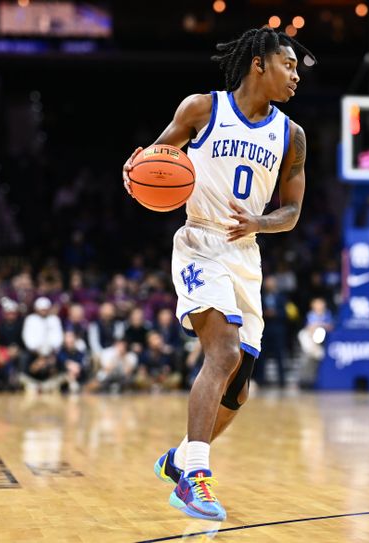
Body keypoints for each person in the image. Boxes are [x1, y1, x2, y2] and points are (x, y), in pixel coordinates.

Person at [122, 27, 314, 521]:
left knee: (238, 388)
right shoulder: (202, 110)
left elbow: (291, 210)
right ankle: (195, 480)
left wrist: (261, 222)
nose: (295, 76)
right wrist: (137, 170)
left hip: (245, 252)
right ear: (259, 64)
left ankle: (179, 458)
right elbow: (156, 162)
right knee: (223, 350)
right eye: (288, 65)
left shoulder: (291, 135)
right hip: (199, 243)